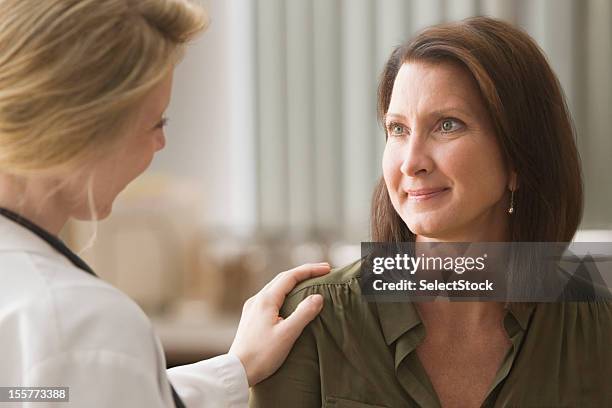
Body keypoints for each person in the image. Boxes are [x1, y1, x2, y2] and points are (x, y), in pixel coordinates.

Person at [250, 17, 612, 407]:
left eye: (447, 125)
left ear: (519, 159)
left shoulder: (597, 327)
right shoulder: (312, 319)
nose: (411, 162)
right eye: (398, 129)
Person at [0, 1, 329, 407]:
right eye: (157, 122)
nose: (161, 144)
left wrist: (236, 368)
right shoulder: (78, 323)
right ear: (84, 125)